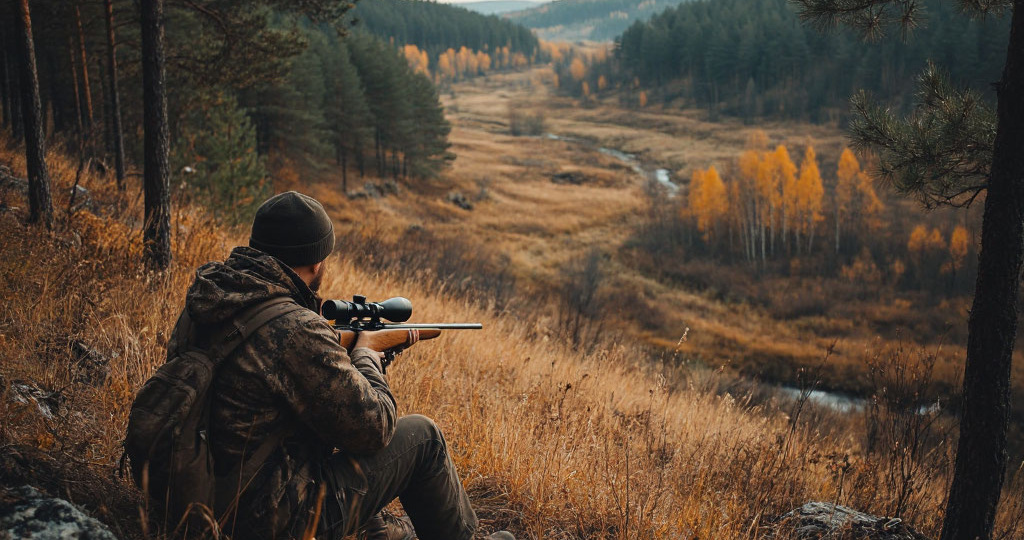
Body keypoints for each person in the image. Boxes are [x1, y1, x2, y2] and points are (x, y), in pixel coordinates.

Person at [166, 191, 513, 540]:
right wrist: (367, 357)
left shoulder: (213, 298)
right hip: (266, 518)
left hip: (196, 495)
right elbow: (374, 429)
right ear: (315, 262)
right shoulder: (295, 329)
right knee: (423, 438)